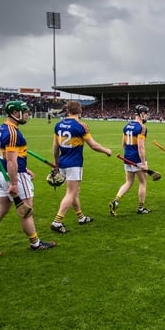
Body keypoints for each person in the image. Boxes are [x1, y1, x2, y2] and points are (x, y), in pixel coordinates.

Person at [0, 100, 56, 257]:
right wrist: (14, 183)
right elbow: (11, 160)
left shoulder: (2, 128)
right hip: (14, 176)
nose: (27, 114)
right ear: (15, 113)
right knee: (26, 211)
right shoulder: (13, 133)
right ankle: (35, 243)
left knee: (0, 209)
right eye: (24, 112)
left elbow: (8, 156)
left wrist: (24, 168)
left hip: (0, 173)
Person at [49, 100, 113, 233]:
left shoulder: (58, 125)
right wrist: (106, 150)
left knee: (74, 192)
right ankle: (57, 221)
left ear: (67, 110)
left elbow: (55, 147)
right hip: (74, 163)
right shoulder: (80, 126)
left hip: (62, 162)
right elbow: (93, 145)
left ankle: (81, 217)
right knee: (71, 193)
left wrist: (56, 163)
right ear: (80, 110)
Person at [109, 105, 152, 215]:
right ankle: (141, 208)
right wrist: (143, 163)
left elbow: (123, 144)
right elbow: (141, 147)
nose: (146, 115)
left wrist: (128, 155)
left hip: (127, 157)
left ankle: (116, 200)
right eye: (145, 113)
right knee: (143, 183)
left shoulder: (127, 126)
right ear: (141, 114)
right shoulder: (142, 127)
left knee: (128, 182)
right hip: (137, 158)